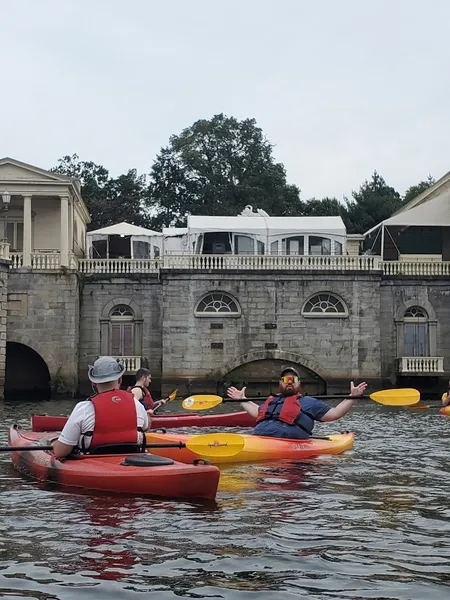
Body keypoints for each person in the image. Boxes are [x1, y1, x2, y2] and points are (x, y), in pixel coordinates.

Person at [227, 366, 367, 440]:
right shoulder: (272, 401)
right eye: (285, 380)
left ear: (299, 384)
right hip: (258, 439)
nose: (289, 383)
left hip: (288, 445)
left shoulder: (308, 402)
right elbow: (257, 412)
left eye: (292, 380)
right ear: (279, 383)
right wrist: (242, 399)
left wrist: (352, 397)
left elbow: (335, 413)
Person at [52, 356, 149, 458]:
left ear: (94, 382)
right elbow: (146, 426)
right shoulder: (136, 404)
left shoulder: (83, 408)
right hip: (132, 465)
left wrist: (53, 444)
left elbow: (60, 452)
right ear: (120, 379)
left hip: (94, 466)